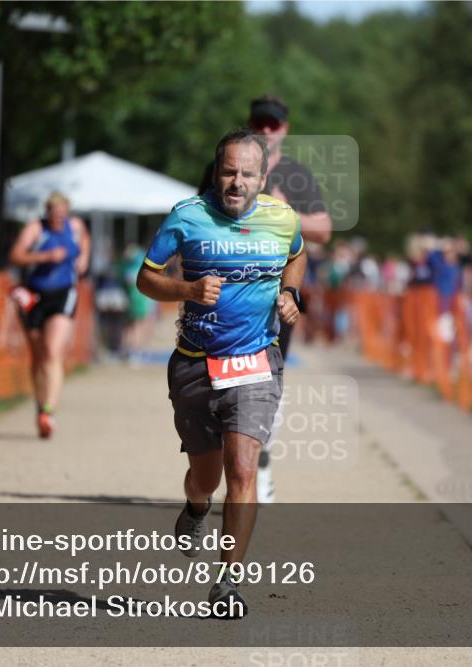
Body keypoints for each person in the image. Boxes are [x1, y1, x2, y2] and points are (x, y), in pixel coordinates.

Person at [137, 128, 305, 618]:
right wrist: (187, 290)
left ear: (263, 177)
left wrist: (291, 295)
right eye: (229, 171)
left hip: (256, 361)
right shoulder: (186, 217)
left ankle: (228, 581)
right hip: (194, 365)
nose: (237, 182)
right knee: (203, 478)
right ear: (216, 172)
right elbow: (146, 277)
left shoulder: (281, 219)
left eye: (247, 174)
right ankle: (195, 508)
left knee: (243, 469)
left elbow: (297, 255)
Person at [199, 95, 332, 503]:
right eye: (260, 122)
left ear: (284, 130)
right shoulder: (222, 169)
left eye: (273, 124)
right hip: (221, 300)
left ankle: (257, 467)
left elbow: (324, 230)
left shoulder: (295, 174)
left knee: (262, 386)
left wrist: (286, 212)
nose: (266, 130)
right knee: (216, 386)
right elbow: (197, 217)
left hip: (273, 302)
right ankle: (232, 469)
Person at [8, 192, 91, 439]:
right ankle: (40, 403)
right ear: (47, 212)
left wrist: (83, 259)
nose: (58, 219)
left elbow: (85, 239)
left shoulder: (75, 226)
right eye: (54, 214)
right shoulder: (36, 228)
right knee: (37, 354)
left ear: (67, 212)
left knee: (53, 351)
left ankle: (48, 411)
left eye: (62, 214)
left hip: (64, 293)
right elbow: (16, 256)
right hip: (34, 295)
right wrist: (44, 256)